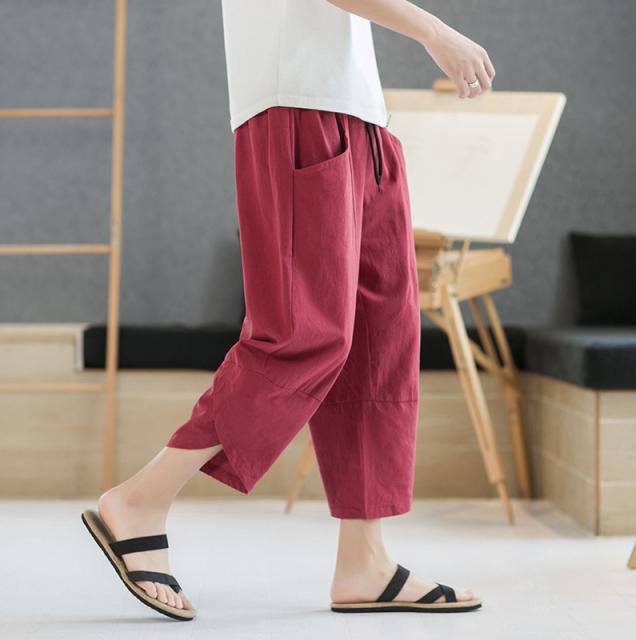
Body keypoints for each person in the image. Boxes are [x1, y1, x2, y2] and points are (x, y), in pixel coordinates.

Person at [82, 0, 495, 620]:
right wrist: (434, 31)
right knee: (303, 334)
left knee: (381, 341)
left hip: (363, 117)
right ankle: (141, 499)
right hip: (298, 108)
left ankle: (365, 561)